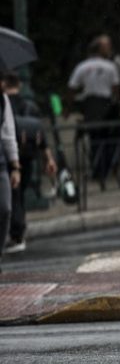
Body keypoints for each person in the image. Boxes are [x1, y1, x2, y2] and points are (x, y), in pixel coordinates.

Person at [2, 73, 57, 253]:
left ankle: (17, 234)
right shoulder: (30, 106)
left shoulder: (5, 103)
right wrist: (48, 158)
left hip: (11, 158)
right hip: (28, 157)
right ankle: (19, 231)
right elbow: (41, 135)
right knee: (19, 195)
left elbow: (8, 134)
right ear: (19, 84)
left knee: (14, 197)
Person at [68, 35, 120, 189]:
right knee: (108, 138)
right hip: (105, 107)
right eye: (107, 46)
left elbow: (72, 88)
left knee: (94, 139)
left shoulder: (82, 66)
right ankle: (105, 168)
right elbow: (116, 89)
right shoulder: (111, 66)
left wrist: (68, 109)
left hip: (90, 108)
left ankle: (98, 168)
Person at [0, 89, 22, 273]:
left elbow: (8, 134)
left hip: (0, 164)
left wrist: (15, 166)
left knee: (5, 208)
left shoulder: (2, 98)